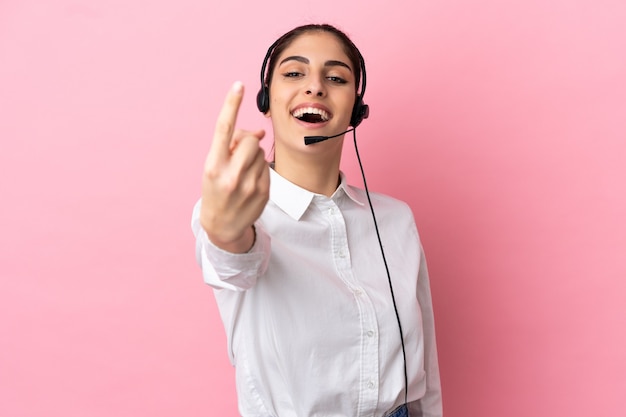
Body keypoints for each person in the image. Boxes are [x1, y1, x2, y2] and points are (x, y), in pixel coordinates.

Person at [191, 23, 442, 417]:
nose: (315, 87)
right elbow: (233, 261)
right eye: (294, 73)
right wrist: (225, 230)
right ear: (266, 100)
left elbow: (425, 363)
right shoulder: (240, 214)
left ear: (356, 110)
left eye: (336, 77)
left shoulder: (395, 219)